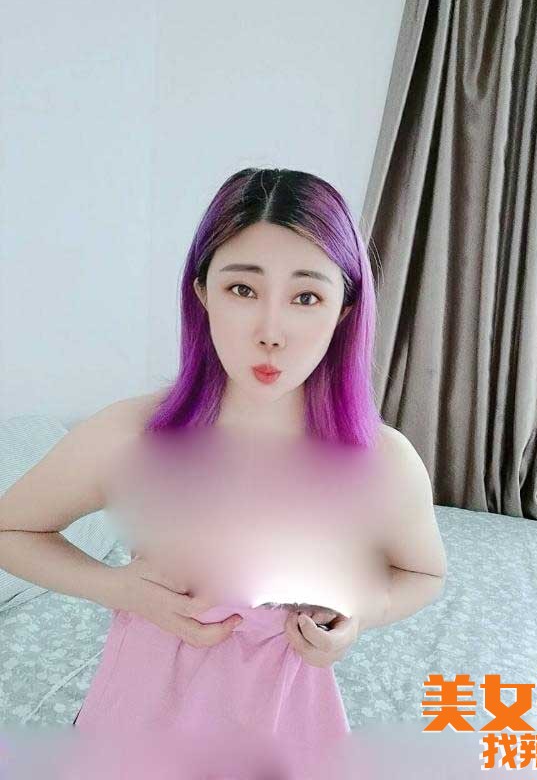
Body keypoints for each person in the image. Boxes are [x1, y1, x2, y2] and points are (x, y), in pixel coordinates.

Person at [0, 168, 447, 776]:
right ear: (203, 292)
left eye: (306, 297)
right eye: (243, 289)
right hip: (138, 722)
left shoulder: (381, 460)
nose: (271, 332)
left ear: (344, 309)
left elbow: (422, 573)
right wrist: (119, 589)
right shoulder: (132, 437)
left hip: (285, 726)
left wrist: (359, 614)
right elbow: (12, 528)